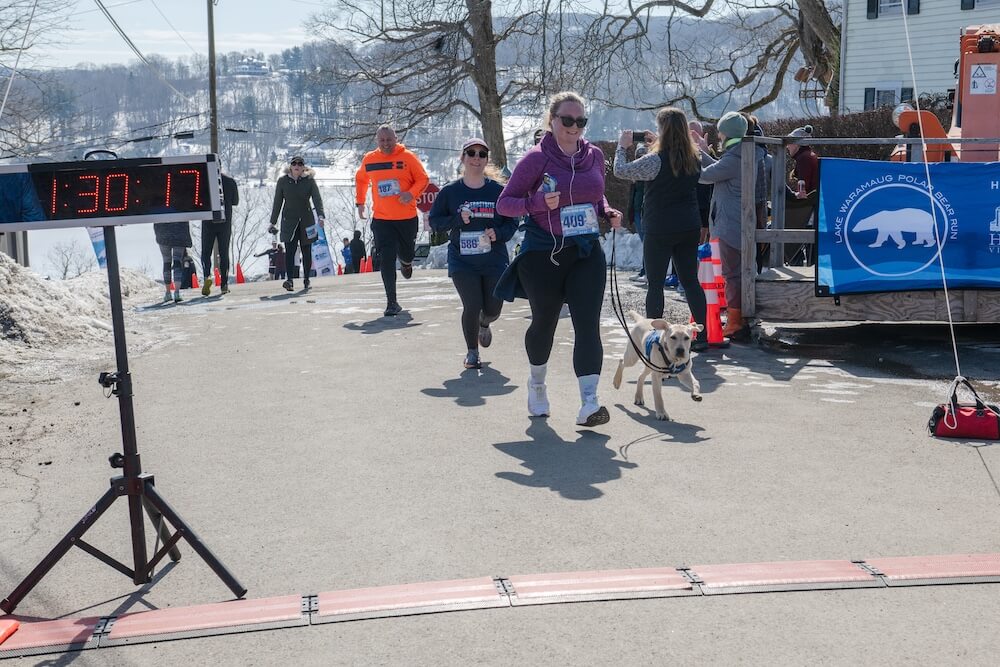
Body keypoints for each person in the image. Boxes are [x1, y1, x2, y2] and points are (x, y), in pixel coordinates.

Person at [496, 91, 623, 427]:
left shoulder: (594, 155)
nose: (574, 127)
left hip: (585, 251)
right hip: (543, 255)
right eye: (567, 120)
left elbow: (595, 194)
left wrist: (606, 210)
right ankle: (537, 384)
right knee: (544, 324)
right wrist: (535, 202)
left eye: (581, 121)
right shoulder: (535, 159)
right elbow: (504, 203)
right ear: (551, 121)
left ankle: (589, 404)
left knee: (587, 325)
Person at [614, 107, 708, 351]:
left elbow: (620, 171)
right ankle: (703, 335)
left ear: (662, 130)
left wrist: (622, 146)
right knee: (690, 282)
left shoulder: (655, 160)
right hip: (688, 225)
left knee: (655, 283)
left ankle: (655, 336)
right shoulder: (694, 157)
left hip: (660, 226)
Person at [429, 138, 518, 370]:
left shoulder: (498, 191)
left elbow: (512, 222)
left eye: (481, 154)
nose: (476, 158)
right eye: (471, 153)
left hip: (493, 260)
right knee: (472, 303)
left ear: (487, 159)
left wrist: (497, 233)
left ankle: (484, 323)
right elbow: (435, 222)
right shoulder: (450, 192)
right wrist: (457, 220)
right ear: (463, 157)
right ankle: (472, 352)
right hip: (462, 260)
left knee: (492, 309)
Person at [354, 125, 429, 316]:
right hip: (382, 219)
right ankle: (392, 302)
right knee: (385, 259)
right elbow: (361, 179)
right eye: (382, 140)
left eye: (389, 140)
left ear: (396, 138)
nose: (386, 144)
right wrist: (360, 202)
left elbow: (423, 179)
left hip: (406, 218)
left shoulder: (408, 158)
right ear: (376, 141)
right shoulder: (370, 159)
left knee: (407, 254)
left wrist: (410, 194)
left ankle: (406, 262)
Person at [695, 111, 749, 339]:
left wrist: (687, 156)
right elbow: (718, 167)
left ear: (726, 133)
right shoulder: (740, 154)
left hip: (730, 226)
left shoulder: (734, 158)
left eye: (720, 131)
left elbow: (705, 176)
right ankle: (738, 317)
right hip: (737, 224)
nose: (717, 135)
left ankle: (735, 322)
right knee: (737, 273)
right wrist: (701, 151)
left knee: (731, 275)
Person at [268, 155, 325, 291]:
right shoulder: (283, 181)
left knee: (306, 251)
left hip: (307, 221)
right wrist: (272, 222)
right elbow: (277, 202)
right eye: (294, 163)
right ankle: (289, 280)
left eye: (300, 164)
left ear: (303, 167)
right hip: (289, 221)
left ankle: (306, 279)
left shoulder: (309, 181)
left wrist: (321, 216)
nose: (297, 166)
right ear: (290, 166)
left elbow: (317, 199)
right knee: (290, 251)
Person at [200, 172, 239, 296]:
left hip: (208, 221)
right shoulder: (230, 181)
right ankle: (224, 284)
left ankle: (207, 276)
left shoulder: (204, 181)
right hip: (224, 222)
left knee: (206, 253)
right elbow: (235, 201)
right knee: (224, 253)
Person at [153, 221, 192, 303]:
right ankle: (177, 292)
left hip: (162, 231)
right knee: (177, 261)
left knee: (166, 261)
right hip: (180, 231)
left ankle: (168, 292)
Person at [786, 125, 819, 196]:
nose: (787, 146)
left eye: (790, 142)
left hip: (810, 203)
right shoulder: (807, 156)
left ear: (798, 144)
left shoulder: (804, 159)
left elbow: (803, 190)